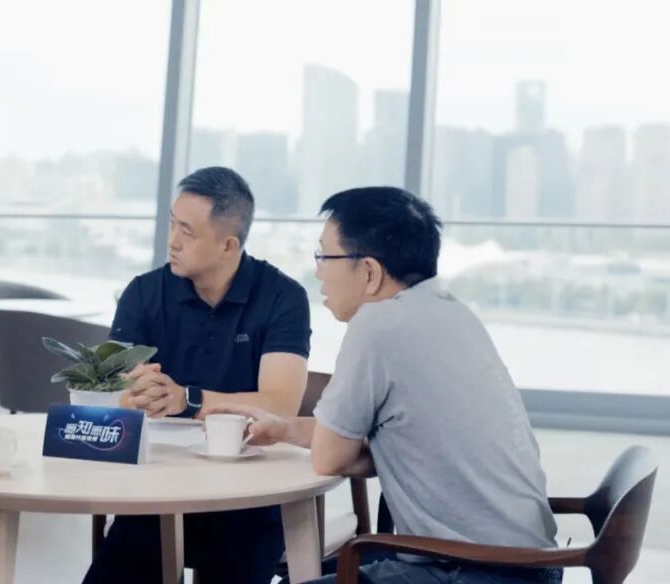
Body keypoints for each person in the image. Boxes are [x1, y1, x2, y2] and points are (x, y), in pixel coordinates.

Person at [209, 187, 560, 584]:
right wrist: (287, 428)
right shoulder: (451, 313)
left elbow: (330, 458)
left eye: (325, 255)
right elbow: (395, 446)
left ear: (370, 273)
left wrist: (334, 445)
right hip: (528, 563)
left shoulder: (378, 326)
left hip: (468, 568)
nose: (318, 270)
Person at [84, 167, 311, 584]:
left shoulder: (283, 297)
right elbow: (113, 389)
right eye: (173, 224)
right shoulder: (143, 292)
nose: (172, 241)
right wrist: (136, 395)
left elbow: (280, 404)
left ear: (228, 244)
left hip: (249, 497)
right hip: (155, 490)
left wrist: (186, 399)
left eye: (186, 232)